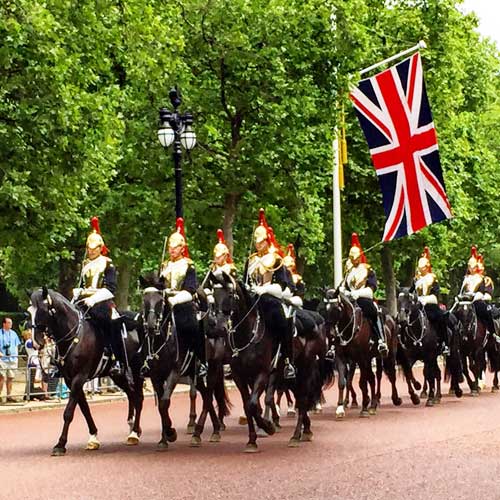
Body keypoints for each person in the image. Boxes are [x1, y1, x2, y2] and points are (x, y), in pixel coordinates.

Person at [72, 216, 133, 387]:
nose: (90, 251)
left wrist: (94, 298)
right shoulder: (85, 264)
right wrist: (79, 292)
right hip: (84, 302)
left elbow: (110, 288)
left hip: (102, 302)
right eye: (89, 248)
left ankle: (117, 360)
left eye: (94, 248)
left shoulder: (108, 264)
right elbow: (83, 285)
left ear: (100, 247)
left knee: (111, 325)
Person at [244, 208, 296, 379]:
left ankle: (287, 360)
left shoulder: (276, 259)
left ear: (267, 241)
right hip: (251, 299)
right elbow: (245, 280)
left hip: (269, 299)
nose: (258, 244)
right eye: (256, 241)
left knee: (282, 321)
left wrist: (264, 289)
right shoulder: (251, 260)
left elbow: (281, 286)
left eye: (261, 241)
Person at [159, 217, 207, 377]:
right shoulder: (165, 265)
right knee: (148, 324)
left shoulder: (189, 265)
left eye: (175, 247)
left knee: (193, 327)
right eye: (170, 247)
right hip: (165, 303)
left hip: (183, 304)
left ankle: (200, 362)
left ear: (182, 248)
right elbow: (161, 286)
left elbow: (191, 289)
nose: (172, 250)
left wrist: (175, 299)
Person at [340, 233, 388, 355]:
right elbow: (344, 285)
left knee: (373, 311)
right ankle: (336, 342)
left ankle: (381, 340)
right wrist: (343, 292)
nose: (353, 259)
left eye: (354, 257)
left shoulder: (367, 269)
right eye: (351, 257)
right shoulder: (349, 272)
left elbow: (372, 288)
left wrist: (357, 293)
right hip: (349, 299)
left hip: (363, 299)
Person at [410, 246, 450, 355]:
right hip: (418, 304)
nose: (420, 269)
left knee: (440, 318)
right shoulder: (416, 279)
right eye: (419, 267)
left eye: (422, 267)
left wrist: (426, 299)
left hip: (429, 304)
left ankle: (444, 343)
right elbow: (411, 291)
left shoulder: (432, 277)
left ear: (427, 267)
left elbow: (436, 293)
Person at [459, 247, 498, 339]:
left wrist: (478, 296)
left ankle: (492, 333)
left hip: (477, 301)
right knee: (456, 314)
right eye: (469, 266)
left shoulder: (483, 279)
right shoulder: (466, 278)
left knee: (486, 312)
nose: (471, 269)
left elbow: (484, 293)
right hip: (465, 301)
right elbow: (462, 291)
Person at [0, 317, 21, 403]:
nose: (10, 324)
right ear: (4, 324)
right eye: (8, 323)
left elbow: (16, 345)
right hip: (2, 359)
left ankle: (9, 395)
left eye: (11, 323)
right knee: (1, 377)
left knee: (10, 377)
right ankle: (0, 395)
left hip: (12, 359)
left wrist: (16, 356)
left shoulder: (14, 334)